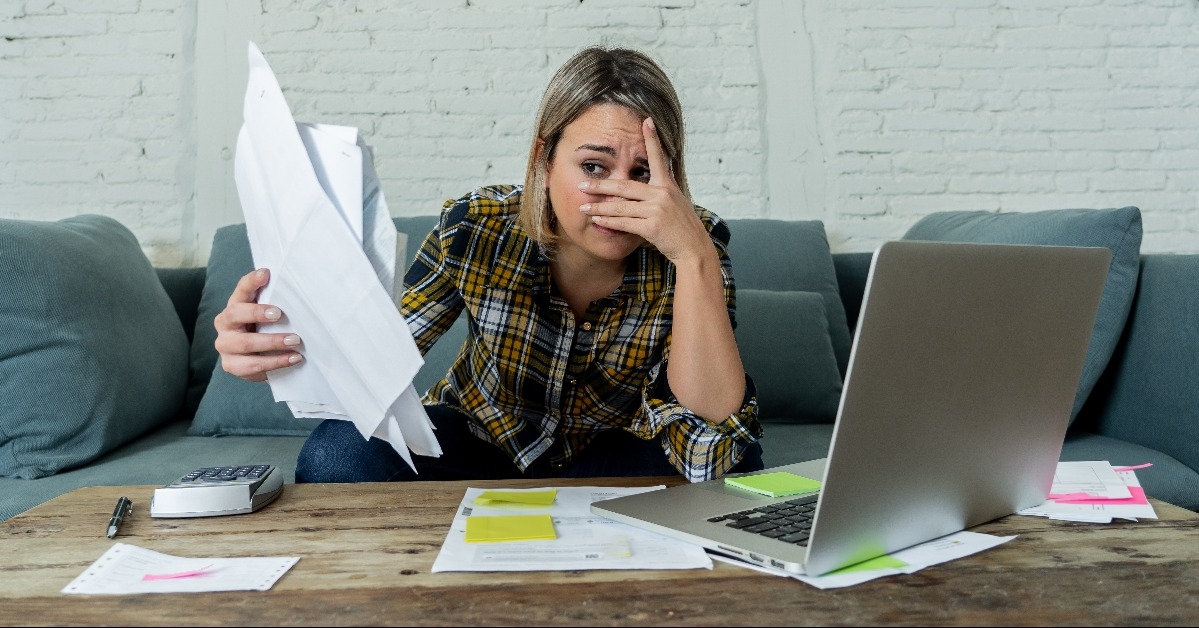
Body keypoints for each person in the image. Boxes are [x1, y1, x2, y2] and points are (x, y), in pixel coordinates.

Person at [214, 46, 764, 483]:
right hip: (483, 446)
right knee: (338, 453)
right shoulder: (475, 226)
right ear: (541, 160)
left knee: (737, 464)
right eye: (594, 167)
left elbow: (710, 433)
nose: (619, 195)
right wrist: (277, 341)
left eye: (643, 173)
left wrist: (694, 258)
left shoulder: (694, 242)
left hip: (615, 457)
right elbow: (376, 352)